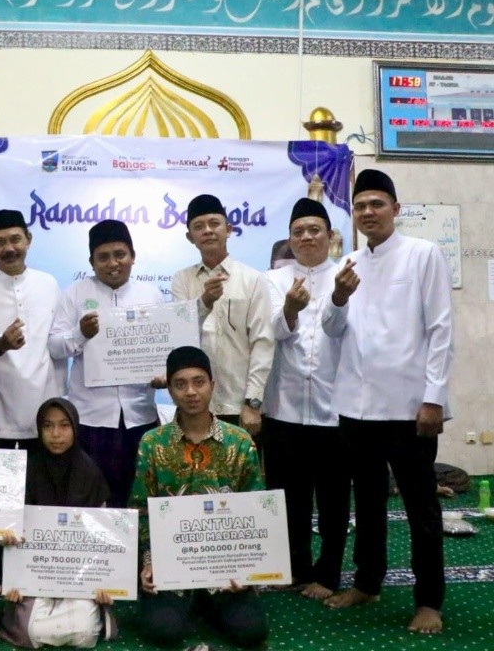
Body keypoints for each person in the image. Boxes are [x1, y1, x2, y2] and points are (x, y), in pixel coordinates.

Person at [321, 169, 453, 635]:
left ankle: (429, 601)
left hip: (408, 407)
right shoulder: (347, 263)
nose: (368, 212)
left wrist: (434, 399)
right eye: (360, 206)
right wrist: (338, 297)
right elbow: (332, 330)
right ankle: (368, 583)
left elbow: (440, 329)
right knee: (368, 502)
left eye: (377, 203)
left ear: (395, 209)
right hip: (355, 408)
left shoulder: (423, 254)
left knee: (420, 507)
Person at [130, 346, 267, 649]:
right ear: (169, 390)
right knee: (163, 631)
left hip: (226, 568)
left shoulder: (239, 441)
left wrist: (248, 572)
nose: (191, 392)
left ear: (212, 385)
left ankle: (206, 603)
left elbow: (257, 510)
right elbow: (141, 510)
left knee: (252, 632)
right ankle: (192, 604)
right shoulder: (153, 443)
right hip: (172, 568)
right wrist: (149, 563)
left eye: (199, 382)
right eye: (180, 384)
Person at [263, 198, 349, 600]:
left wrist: (339, 298)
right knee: (288, 496)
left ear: (329, 236)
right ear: (290, 238)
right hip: (285, 405)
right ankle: (294, 568)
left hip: (335, 407)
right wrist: (290, 310)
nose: (306, 237)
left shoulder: (347, 275)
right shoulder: (273, 280)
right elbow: (273, 333)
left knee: (333, 498)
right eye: (298, 231)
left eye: (314, 230)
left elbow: (343, 331)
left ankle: (328, 574)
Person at [48, 219, 162, 509]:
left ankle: (139, 542)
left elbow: (165, 349)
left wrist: (164, 374)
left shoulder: (151, 295)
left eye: (120, 254)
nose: (113, 263)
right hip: (91, 419)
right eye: (103, 257)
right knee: (93, 501)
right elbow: (55, 347)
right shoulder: (75, 294)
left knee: (141, 499)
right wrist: (80, 334)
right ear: (91, 262)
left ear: (133, 256)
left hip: (140, 416)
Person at [0, 397, 116, 649]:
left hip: (79, 575)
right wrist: (13, 576)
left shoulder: (90, 473)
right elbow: (14, 531)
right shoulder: (25, 471)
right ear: (39, 430)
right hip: (35, 573)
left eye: (64, 425)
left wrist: (104, 582)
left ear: (75, 428)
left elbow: (103, 538)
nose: (55, 434)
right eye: (48, 426)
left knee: (83, 632)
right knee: (31, 632)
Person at [170, 194, 274, 437]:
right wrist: (204, 302)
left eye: (214, 224)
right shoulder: (182, 280)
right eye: (199, 226)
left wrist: (253, 402)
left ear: (228, 230)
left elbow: (263, 343)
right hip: (194, 407)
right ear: (190, 237)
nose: (207, 230)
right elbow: (180, 338)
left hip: (240, 407)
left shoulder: (253, 280)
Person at [0, 210, 64, 452]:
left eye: (15, 239)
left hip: (45, 413)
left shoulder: (48, 283)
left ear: (28, 239)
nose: (9, 248)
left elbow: (58, 343)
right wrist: (0, 345)